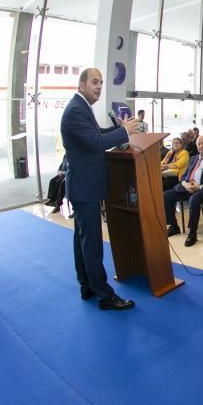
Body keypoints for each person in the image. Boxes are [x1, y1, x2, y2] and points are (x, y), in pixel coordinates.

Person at [60, 68, 140, 311]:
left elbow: (97, 134)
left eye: (101, 83)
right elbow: (96, 143)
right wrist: (125, 132)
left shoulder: (82, 107)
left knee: (83, 239)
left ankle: (86, 285)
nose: (99, 87)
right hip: (85, 187)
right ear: (82, 84)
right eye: (94, 82)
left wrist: (119, 129)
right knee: (91, 242)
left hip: (84, 185)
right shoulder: (76, 110)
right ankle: (104, 295)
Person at [163, 135, 203, 245]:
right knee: (166, 195)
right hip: (187, 187)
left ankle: (192, 233)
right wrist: (185, 184)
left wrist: (199, 186)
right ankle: (174, 226)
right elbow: (184, 175)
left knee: (194, 199)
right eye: (199, 144)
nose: (201, 146)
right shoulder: (193, 158)